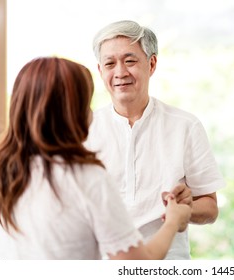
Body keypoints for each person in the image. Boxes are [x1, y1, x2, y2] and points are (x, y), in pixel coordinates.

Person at [0, 57, 191, 260]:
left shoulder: (5, 169)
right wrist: (173, 222)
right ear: (72, 113)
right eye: (85, 104)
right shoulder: (86, 178)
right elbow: (137, 265)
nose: (91, 113)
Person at [85, 20, 225, 259]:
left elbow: (210, 208)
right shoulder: (83, 131)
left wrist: (184, 209)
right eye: (110, 63)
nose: (120, 72)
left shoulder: (185, 126)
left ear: (152, 64)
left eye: (130, 61)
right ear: (100, 71)